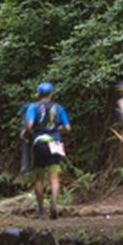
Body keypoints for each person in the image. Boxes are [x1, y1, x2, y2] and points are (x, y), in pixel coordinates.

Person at [22, 82, 71, 220]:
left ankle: (42, 210)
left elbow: (30, 125)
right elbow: (67, 128)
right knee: (54, 176)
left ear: (38, 93)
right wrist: (57, 129)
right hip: (55, 142)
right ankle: (54, 205)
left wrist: (25, 130)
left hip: (40, 142)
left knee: (39, 177)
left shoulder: (33, 107)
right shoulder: (58, 108)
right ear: (51, 94)